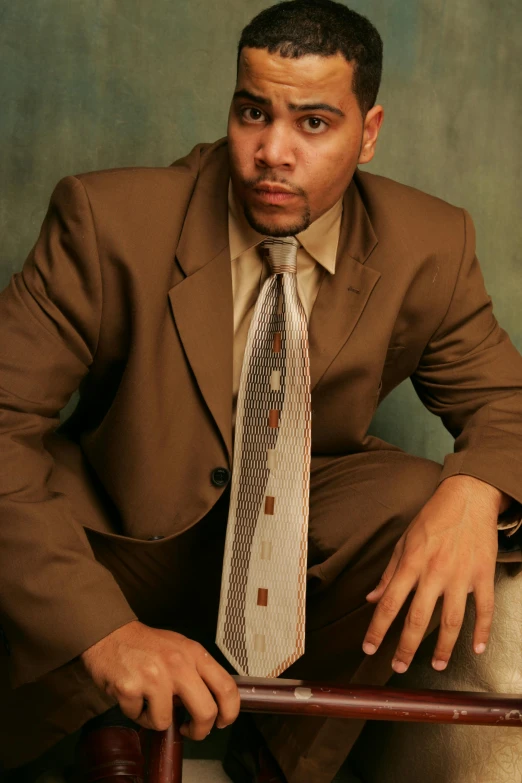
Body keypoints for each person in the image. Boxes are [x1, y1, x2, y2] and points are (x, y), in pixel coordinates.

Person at [1, 1, 521, 782]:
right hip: (120, 539)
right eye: (254, 113)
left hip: (293, 540)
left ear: (369, 132)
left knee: (422, 488)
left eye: (313, 123)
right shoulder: (106, 219)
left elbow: (505, 401)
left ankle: (277, 760)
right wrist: (105, 631)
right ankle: (96, 726)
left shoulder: (431, 244)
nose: (272, 151)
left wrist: (476, 489)